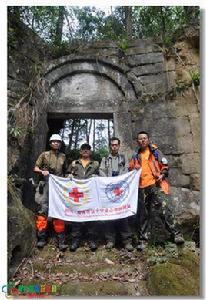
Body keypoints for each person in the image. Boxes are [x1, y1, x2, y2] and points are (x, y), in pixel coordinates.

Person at [129, 131, 185, 250]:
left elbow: (165, 166)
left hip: (156, 184)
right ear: (137, 141)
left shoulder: (155, 152)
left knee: (164, 209)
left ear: (148, 139)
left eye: (145, 138)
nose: (143, 140)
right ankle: (143, 241)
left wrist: (163, 174)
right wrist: (133, 168)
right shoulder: (135, 156)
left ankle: (177, 234)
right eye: (140, 139)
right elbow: (130, 171)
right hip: (141, 187)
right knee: (143, 214)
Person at [34, 134, 68, 251]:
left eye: (58, 142)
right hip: (45, 185)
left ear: (60, 144)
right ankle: (42, 238)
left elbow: (66, 172)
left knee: (58, 211)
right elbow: (35, 168)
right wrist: (42, 172)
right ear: (50, 143)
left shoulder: (63, 156)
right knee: (42, 211)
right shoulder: (44, 155)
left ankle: (61, 240)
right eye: (54, 142)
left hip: (58, 187)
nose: (56, 143)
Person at [99, 137, 134, 251]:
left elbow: (126, 170)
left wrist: (118, 181)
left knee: (122, 214)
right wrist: (109, 181)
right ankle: (110, 240)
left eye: (116, 145)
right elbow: (101, 171)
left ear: (119, 146)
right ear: (110, 146)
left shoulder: (123, 158)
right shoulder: (105, 159)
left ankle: (127, 241)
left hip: (120, 191)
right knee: (109, 215)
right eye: (112, 145)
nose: (114, 147)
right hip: (108, 190)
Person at [66, 143, 99, 252]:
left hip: (90, 194)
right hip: (77, 194)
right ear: (80, 151)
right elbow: (66, 175)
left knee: (91, 215)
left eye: (88, 149)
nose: (85, 151)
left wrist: (97, 177)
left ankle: (92, 240)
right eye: (83, 149)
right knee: (76, 215)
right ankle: (75, 240)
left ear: (90, 152)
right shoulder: (74, 163)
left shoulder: (95, 164)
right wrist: (68, 176)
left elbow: (102, 177)